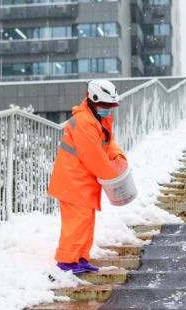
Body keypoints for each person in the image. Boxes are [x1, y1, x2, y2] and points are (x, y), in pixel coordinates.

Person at [48, 80, 127, 274]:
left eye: (111, 106)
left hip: (83, 180)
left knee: (85, 220)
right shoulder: (84, 121)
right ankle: (66, 261)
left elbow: (108, 142)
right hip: (73, 180)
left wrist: (117, 155)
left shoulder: (98, 118)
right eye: (106, 106)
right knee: (76, 221)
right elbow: (93, 156)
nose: (108, 109)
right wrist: (112, 178)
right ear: (93, 100)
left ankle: (81, 258)